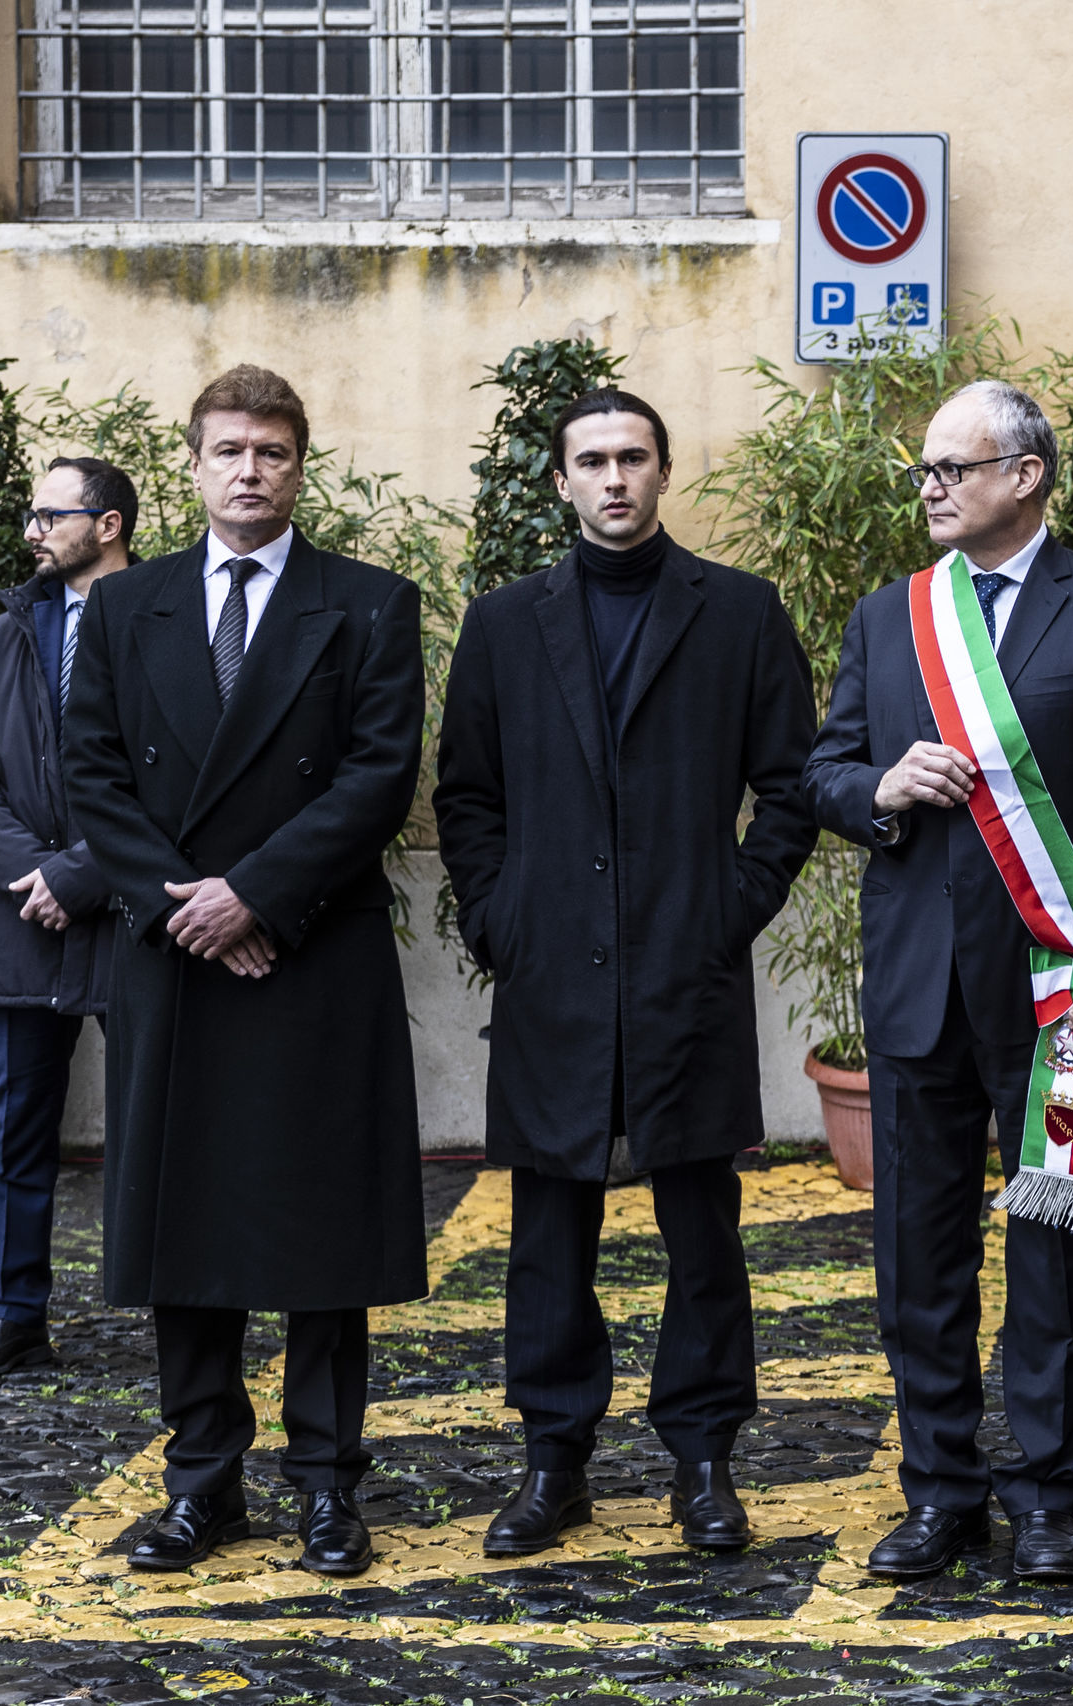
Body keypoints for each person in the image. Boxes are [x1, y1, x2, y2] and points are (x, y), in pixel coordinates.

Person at [804, 380, 1073, 1581]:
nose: (929, 487)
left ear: (1025, 474)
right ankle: (940, 1491)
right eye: (924, 470)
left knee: (1051, 1246)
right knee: (918, 1255)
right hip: (917, 989)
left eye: (951, 468)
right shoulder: (891, 616)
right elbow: (821, 770)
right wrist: (876, 786)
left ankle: (1045, 1493)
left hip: (1057, 996)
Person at [433, 388, 817, 1558]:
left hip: (684, 966)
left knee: (703, 1223)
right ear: (560, 481)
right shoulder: (504, 622)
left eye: (633, 457)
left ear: (662, 471)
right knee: (548, 1225)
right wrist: (500, 919)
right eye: (591, 460)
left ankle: (704, 1460)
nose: (613, 478)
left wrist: (730, 908)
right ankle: (554, 1462)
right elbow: (467, 794)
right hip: (547, 968)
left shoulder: (740, 612)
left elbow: (791, 786)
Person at [65, 365, 427, 1579]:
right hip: (178, 954)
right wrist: (193, 907)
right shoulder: (127, 607)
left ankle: (327, 1485)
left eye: (271, 450)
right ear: (193, 465)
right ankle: (201, 1482)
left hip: (313, 951)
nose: (249, 470)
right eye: (229, 450)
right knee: (187, 1227)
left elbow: (378, 777)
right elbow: (91, 773)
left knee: (323, 1232)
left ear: (299, 465)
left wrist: (257, 895)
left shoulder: (369, 602)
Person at [0, 457, 135, 1381]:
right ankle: (15, 1317)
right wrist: (35, 874)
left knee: (157, 1122)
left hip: (136, 913)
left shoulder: (170, 618)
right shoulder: (4, 635)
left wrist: (84, 873)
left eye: (50, 515)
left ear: (108, 524)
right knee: (14, 1127)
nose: (32, 531)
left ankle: (179, 1315)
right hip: (25, 915)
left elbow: (181, 779)